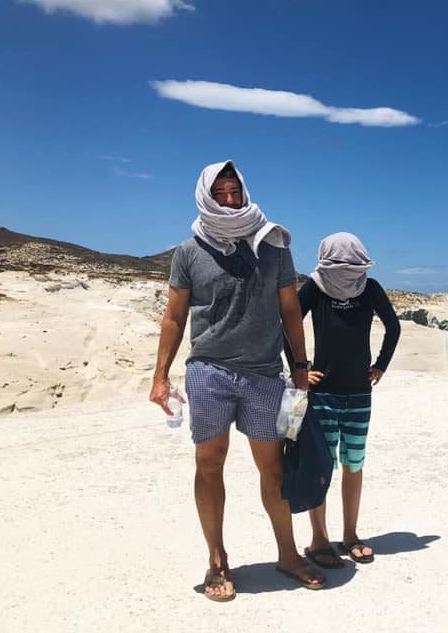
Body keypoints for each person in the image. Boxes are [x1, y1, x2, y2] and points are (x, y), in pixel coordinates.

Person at [149, 161, 325, 602]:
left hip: (264, 372)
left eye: (235, 191)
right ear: (206, 197)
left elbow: (289, 310)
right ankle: (216, 560)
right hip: (209, 370)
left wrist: (301, 367)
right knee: (209, 463)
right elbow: (174, 317)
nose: (230, 200)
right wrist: (160, 376)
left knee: (273, 465)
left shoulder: (274, 246)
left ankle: (287, 553)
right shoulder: (189, 252)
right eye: (221, 193)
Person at [288, 232, 401, 569]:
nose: (347, 269)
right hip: (321, 394)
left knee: (354, 464)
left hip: (359, 393)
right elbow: (288, 323)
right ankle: (319, 540)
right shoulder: (315, 286)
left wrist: (381, 365)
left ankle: (350, 535)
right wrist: (301, 371)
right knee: (322, 468)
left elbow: (393, 327)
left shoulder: (370, 287)